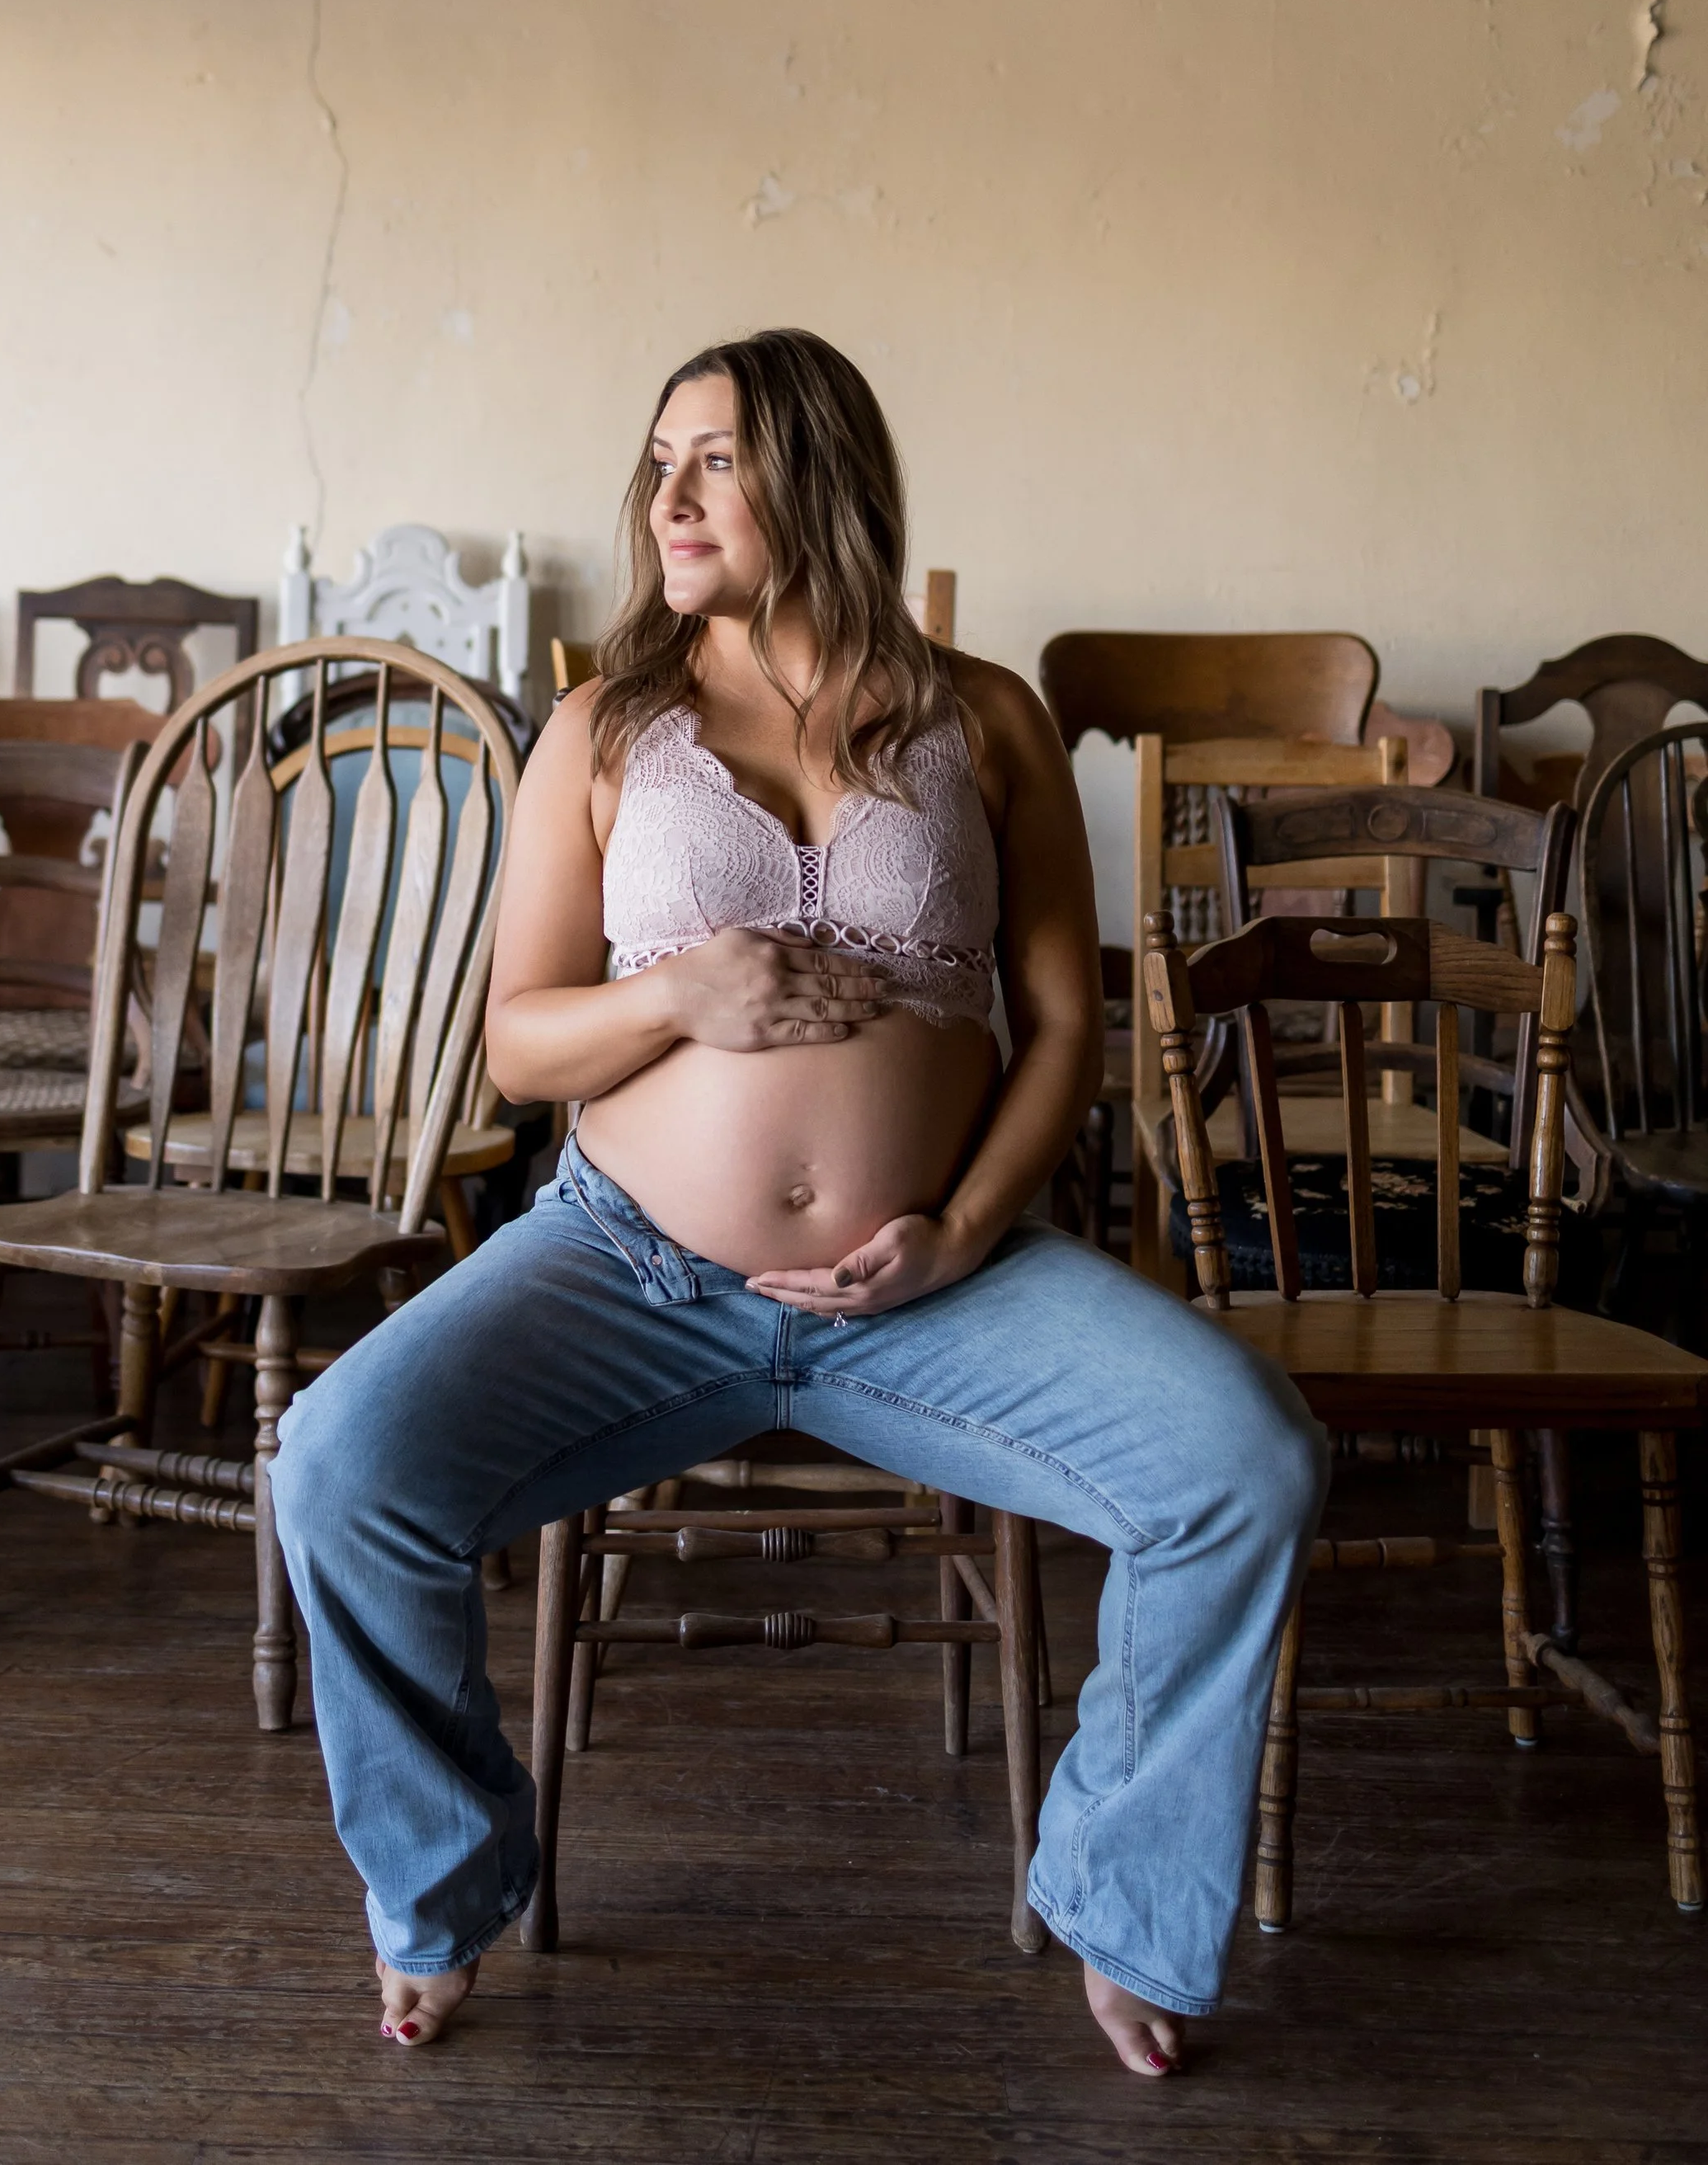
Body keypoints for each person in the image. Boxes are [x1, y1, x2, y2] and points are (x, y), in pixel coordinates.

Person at [271, 327, 1326, 2078]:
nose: (668, 494)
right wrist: (675, 1002)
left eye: (717, 458)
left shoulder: (981, 718)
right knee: (336, 1468)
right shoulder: (607, 727)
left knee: (1243, 1463)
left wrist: (969, 1226)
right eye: (660, 460)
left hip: (943, 1283)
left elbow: (1062, 1019)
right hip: (623, 1273)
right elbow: (519, 1046)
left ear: (818, 477)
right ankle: (440, 1891)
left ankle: (1122, 1901)